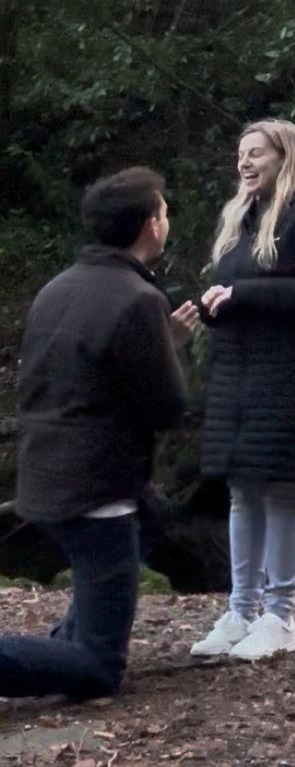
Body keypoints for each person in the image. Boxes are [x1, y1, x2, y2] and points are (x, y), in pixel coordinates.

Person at [0, 167, 195, 700]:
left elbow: (81, 376)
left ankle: (62, 642)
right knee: (98, 667)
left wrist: (161, 342)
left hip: (47, 477)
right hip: (97, 493)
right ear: (150, 225)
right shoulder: (137, 299)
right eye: (163, 211)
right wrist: (172, 346)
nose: (166, 220)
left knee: (154, 516)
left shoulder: (56, 288)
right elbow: (168, 407)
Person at [190, 119, 295, 661]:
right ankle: (242, 609)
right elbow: (239, 293)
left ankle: (280, 617)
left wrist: (245, 295)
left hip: (292, 377)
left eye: (256, 153)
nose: (245, 162)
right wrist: (214, 305)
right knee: (241, 488)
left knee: (282, 489)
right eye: (240, 154)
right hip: (237, 378)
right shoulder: (240, 218)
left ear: (285, 158)